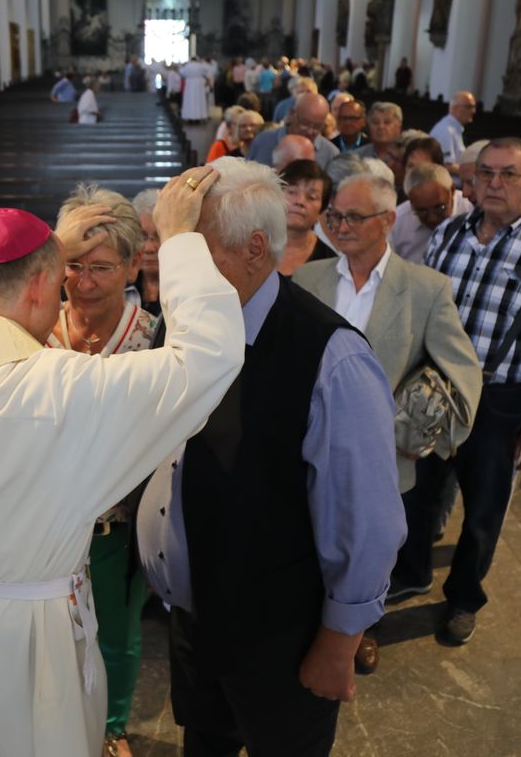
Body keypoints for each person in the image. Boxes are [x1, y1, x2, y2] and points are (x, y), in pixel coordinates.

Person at [0, 168, 245, 757]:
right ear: (47, 287)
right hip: (23, 636)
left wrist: (43, 253)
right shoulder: (59, 392)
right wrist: (177, 240)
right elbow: (208, 357)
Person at [136, 157, 406, 757]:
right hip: (196, 618)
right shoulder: (182, 321)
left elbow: (367, 524)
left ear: (254, 249)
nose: (171, 267)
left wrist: (338, 645)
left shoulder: (330, 357)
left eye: (190, 248)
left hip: (279, 638)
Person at [391, 137, 521, 645]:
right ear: (471, 181)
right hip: (436, 387)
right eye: (486, 174)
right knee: (416, 493)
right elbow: (424, 313)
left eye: (509, 174)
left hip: (500, 400)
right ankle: (410, 573)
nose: (496, 184)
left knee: (483, 509)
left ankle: (463, 598)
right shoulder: (452, 233)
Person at [292, 174, 482, 675]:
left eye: (354, 217)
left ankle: (360, 631)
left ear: (387, 221)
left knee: (368, 547)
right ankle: (306, 627)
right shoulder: (309, 280)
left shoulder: (424, 289)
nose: (341, 226)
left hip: (381, 455)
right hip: (305, 443)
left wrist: (426, 437)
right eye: (335, 216)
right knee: (307, 539)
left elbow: (463, 373)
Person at [47, 187, 157, 757]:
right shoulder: (37, 327)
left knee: (116, 635)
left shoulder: (154, 338)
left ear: (134, 264)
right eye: (71, 266)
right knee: (48, 636)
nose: (83, 283)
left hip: (116, 524)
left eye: (100, 268)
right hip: (45, 522)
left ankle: (111, 727)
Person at [391, 162, 474, 265]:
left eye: (439, 208)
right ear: (410, 201)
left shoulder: (471, 209)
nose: (432, 218)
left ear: (452, 190)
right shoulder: (396, 222)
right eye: (422, 211)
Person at [246, 93, 340, 169]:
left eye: (318, 126)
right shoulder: (263, 141)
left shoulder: (330, 153)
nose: (310, 131)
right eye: (305, 123)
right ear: (292, 113)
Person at [277, 158, 335, 275]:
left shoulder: (329, 262)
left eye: (311, 197)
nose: (300, 201)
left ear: (321, 211)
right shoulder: (251, 245)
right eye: (292, 192)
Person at [128, 189, 162, 316]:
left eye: (158, 236)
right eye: (142, 237)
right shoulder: (119, 287)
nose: (149, 248)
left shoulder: (185, 290)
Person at [429, 91, 477, 178]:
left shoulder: (454, 129)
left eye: (474, 107)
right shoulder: (446, 130)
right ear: (455, 108)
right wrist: (474, 174)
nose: (473, 111)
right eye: (469, 107)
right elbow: (447, 165)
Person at [180, 58, 213, 124]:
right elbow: (207, 71)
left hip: (189, 85)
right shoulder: (200, 66)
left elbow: (182, 73)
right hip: (199, 85)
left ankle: (190, 118)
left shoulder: (187, 66)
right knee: (198, 101)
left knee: (190, 101)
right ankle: (198, 117)